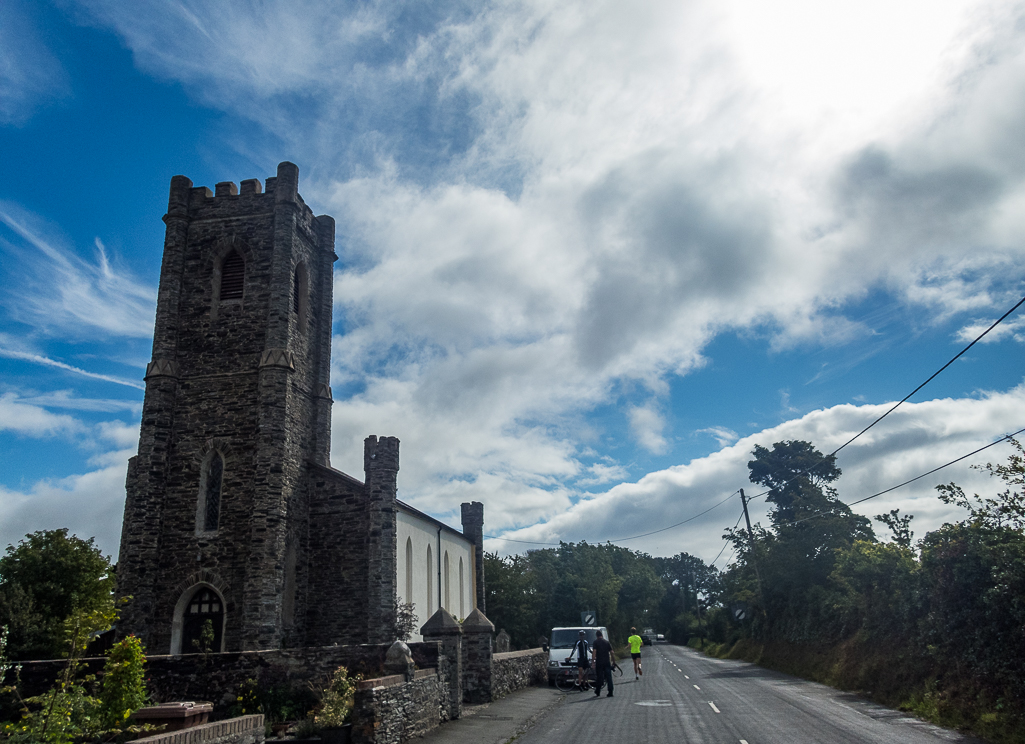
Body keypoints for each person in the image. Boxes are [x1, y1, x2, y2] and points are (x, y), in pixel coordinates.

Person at [592, 629, 614, 697]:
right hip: (607, 662)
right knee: (609, 677)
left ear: (596, 636)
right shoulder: (607, 642)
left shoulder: (595, 642)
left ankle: (598, 691)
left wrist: (593, 662)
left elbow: (594, 652)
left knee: (599, 677)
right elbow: (612, 652)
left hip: (599, 662)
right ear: (602, 635)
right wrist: (614, 662)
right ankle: (610, 691)